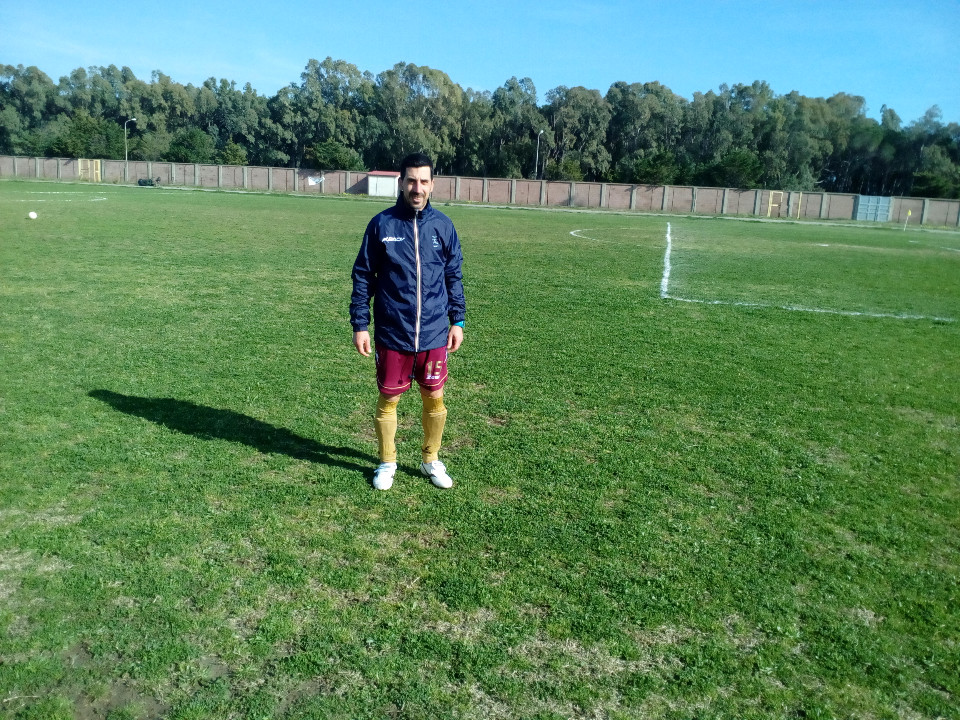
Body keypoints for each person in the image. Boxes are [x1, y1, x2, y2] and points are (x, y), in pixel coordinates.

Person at [350, 153, 466, 490]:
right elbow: (363, 276)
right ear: (401, 183)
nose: (417, 188)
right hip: (392, 332)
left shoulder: (443, 226)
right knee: (389, 399)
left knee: (435, 397)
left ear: (432, 184)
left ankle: (431, 459)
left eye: (423, 181)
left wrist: (457, 320)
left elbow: (453, 275)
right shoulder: (381, 225)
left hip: (433, 332)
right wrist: (360, 324)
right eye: (411, 181)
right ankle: (387, 461)